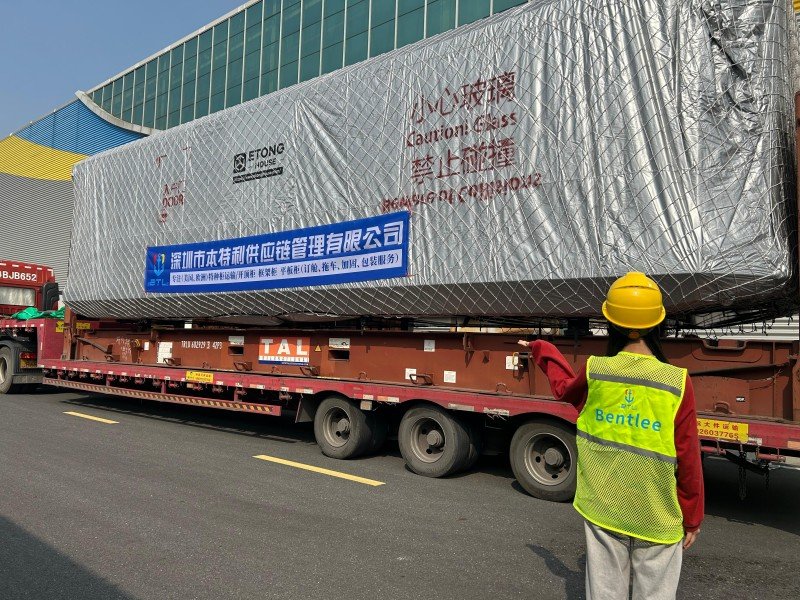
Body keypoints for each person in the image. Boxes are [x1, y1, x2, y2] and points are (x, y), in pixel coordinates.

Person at [518, 272, 704, 600]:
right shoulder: (676, 382)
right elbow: (688, 456)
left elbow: (563, 387)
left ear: (611, 324)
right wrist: (692, 517)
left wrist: (542, 349)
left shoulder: (597, 372)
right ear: (658, 324)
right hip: (656, 515)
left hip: (604, 507)